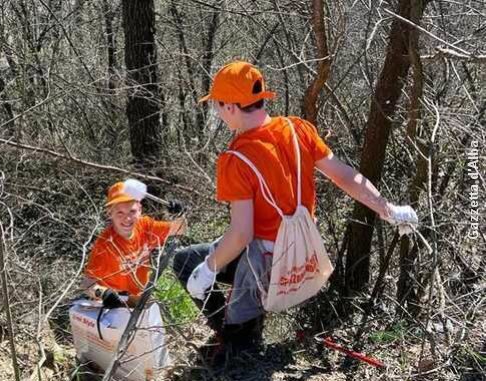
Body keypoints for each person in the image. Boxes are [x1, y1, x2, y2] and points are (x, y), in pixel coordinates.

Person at [172, 60, 418, 363]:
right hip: (304, 256)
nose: (219, 115)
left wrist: (208, 269)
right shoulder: (297, 129)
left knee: (237, 352)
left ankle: (238, 336)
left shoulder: (235, 159)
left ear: (232, 106)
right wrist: (389, 210)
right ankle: (233, 328)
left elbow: (241, 234)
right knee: (187, 259)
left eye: (218, 107)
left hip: (263, 263)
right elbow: (344, 176)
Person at [83, 180, 187, 308]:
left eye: (132, 211)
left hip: (140, 299)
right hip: (114, 304)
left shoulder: (145, 226)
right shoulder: (104, 244)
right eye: (120, 213)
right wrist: (104, 293)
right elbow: (87, 284)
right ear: (110, 213)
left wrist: (179, 214)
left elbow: (180, 229)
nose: (127, 219)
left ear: (140, 210)